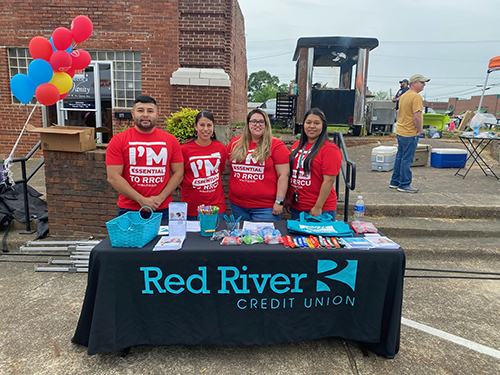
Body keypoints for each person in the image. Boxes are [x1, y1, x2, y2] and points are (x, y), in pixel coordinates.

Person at [106, 95, 184, 219]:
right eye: (140, 110)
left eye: (150, 111)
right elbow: (113, 177)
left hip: (162, 208)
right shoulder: (118, 140)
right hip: (129, 209)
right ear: (133, 114)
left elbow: (179, 173)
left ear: (157, 115)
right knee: (130, 239)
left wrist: (160, 198)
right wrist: (141, 200)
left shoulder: (170, 140)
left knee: (163, 239)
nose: (145, 115)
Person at [227, 108, 290, 221]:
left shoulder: (276, 145)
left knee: (263, 239)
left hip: (265, 208)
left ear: (266, 124)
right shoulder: (235, 143)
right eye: (254, 121)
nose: (257, 124)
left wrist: (279, 202)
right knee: (240, 237)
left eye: (261, 121)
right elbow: (228, 165)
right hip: (237, 205)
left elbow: (283, 176)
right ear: (248, 124)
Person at [288, 108, 342, 220]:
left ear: (323, 126)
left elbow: (329, 180)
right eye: (308, 122)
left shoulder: (330, 149)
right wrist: (288, 199)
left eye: (316, 123)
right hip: (297, 206)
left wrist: (318, 206)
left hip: (319, 209)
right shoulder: (297, 145)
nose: (312, 126)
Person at [180, 110, 228, 220]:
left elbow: (220, 170)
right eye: (202, 125)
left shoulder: (221, 148)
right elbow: (179, 175)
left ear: (213, 127)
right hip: (192, 208)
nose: (205, 129)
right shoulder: (184, 149)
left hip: (216, 208)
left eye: (209, 125)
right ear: (196, 127)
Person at [390, 74, 430, 193]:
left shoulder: (404, 96)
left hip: (401, 130)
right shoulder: (416, 97)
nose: (424, 85)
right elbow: (417, 116)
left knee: (400, 157)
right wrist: (419, 129)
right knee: (407, 159)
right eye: (422, 82)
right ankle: (404, 184)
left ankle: (395, 181)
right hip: (410, 132)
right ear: (414, 83)